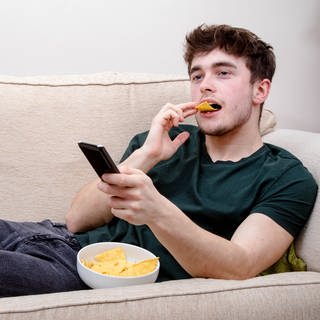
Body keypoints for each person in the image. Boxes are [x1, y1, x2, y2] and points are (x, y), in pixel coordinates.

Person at [0, 24, 317, 298]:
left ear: (260, 90)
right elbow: (76, 221)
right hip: (51, 236)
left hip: (82, 273)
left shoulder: (286, 178)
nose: (204, 85)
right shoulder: (159, 142)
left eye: (222, 72)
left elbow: (240, 264)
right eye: (197, 75)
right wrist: (146, 155)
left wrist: (156, 210)